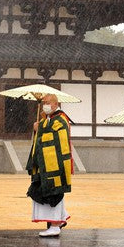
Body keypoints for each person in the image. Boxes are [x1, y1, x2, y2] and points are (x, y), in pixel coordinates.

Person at [26, 93, 72, 237]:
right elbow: (42, 136)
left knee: (53, 192)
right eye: (43, 102)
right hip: (45, 164)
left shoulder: (61, 119)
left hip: (55, 165)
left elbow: (55, 137)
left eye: (46, 102)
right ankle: (61, 217)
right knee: (41, 191)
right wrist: (40, 126)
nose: (44, 105)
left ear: (54, 104)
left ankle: (55, 224)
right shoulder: (48, 120)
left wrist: (39, 127)